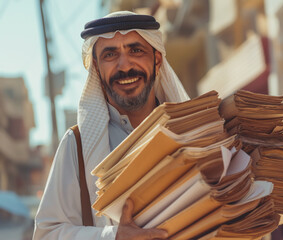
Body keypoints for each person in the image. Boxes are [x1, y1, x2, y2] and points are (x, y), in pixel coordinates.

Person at [33, 11, 190, 240]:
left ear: (156, 61)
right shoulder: (76, 145)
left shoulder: (192, 132)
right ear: (97, 69)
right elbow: (47, 234)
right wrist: (112, 236)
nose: (124, 65)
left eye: (136, 50)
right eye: (110, 54)